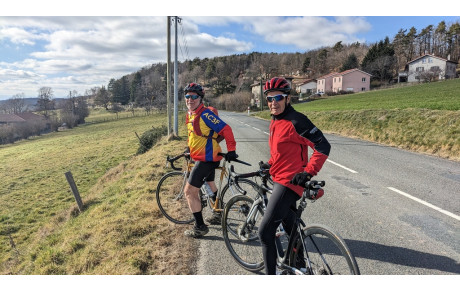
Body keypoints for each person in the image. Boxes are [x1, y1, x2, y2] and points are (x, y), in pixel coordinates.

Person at [258, 77, 331, 274]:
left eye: (278, 98)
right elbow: (282, 153)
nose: (274, 102)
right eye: (270, 98)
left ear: (287, 99)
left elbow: (323, 146)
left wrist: (308, 172)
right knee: (291, 229)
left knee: (265, 233)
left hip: (289, 183)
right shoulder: (276, 121)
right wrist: (270, 164)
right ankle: (299, 267)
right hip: (280, 178)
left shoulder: (296, 121)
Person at [182, 82, 238, 238]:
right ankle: (218, 214)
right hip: (203, 156)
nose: (190, 99)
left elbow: (226, 129)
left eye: (194, 96)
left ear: (200, 98)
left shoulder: (205, 114)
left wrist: (232, 150)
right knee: (210, 184)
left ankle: (200, 227)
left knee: (189, 192)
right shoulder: (190, 115)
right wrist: (189, 149)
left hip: (207, 159)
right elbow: (193, 136)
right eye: (187, 96)